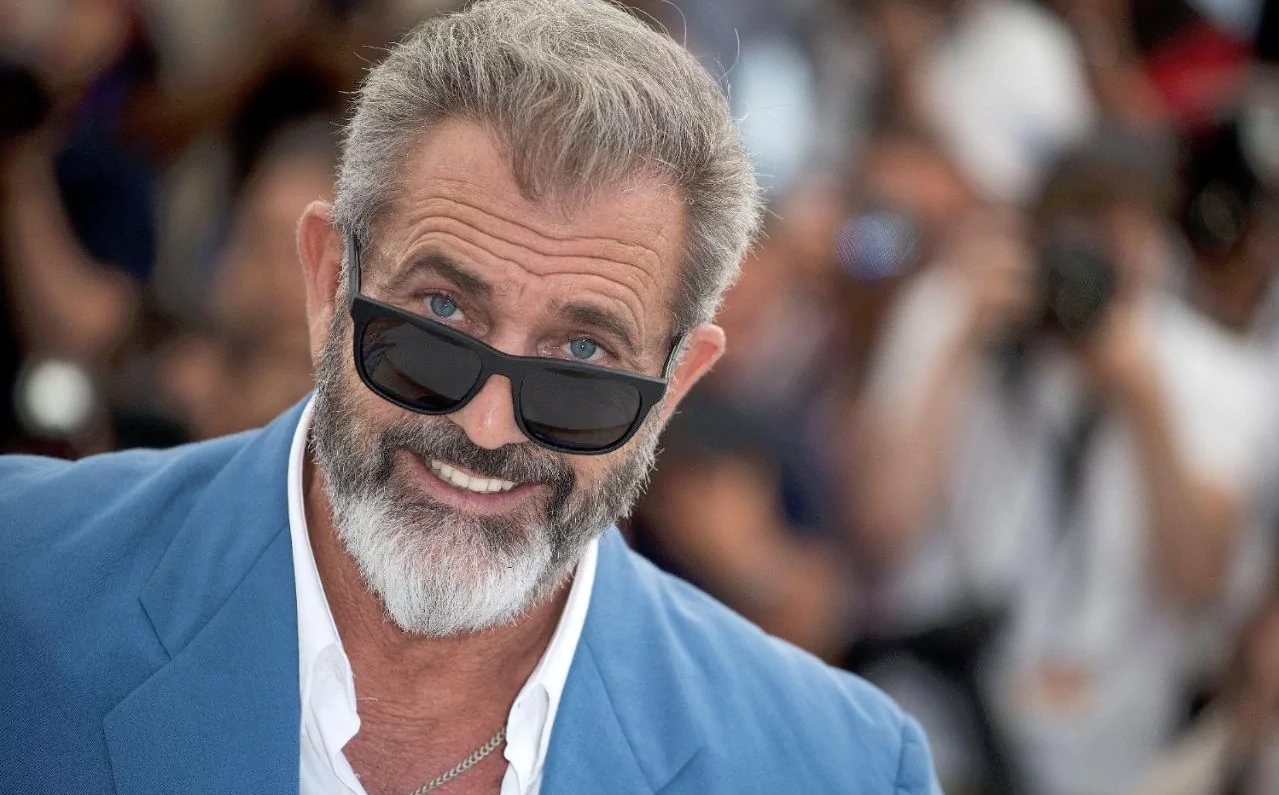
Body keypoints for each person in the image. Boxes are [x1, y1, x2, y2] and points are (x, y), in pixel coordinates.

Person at [0, 2, 942, 794]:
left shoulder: (840, 768)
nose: (486, 426)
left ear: (674, 387)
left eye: (581, 355)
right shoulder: (21, 577)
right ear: (328, 284)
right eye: (440, 314)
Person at [851, 127, 1275, 795]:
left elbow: (1199, 582)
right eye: (1083, 226)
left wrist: (1145, 403)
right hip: (941, 733)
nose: (1101, 254)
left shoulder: (1213, 376)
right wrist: (958, 346)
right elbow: (880, 528)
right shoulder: (949, 317)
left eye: (1129, 231)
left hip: (1113, 754)